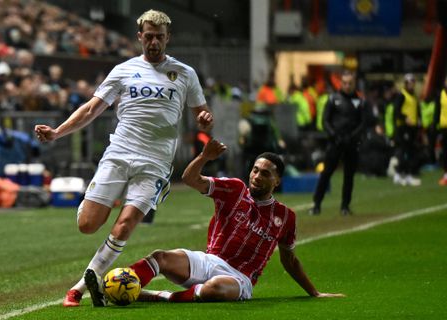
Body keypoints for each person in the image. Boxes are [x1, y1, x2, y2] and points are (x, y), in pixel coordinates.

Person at [34, 9, 214, 307]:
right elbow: (92, 109)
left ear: (168, 38)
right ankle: (107, 198)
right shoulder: (122, 70)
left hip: (155, 163)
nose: (154, 42)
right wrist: (57, 132)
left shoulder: (184, 73)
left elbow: (202, 116)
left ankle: (78, 288)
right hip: (119, 154)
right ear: (139, 37)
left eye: (159, 37)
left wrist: (206, 120)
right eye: (149, 36)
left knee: (126, 223)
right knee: (88, 225)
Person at [84, 139, 344, 303]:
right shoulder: (234, 189)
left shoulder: (286, 217)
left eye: (265, 174)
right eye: (255, 170)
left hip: (239, 279)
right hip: (208, 261)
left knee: (216, 289)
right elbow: (190, 179)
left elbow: (290, 260)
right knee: (160, 257)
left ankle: (157, 297)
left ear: (277, 181)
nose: (256, 176)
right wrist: (204, 157)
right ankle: (117, 287)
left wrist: (314, 292)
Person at [309, 71, 367, 216]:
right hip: (335, 143)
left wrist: (353, 136)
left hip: (352, 143)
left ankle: (345, 206)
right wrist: (334, 135)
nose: (347, 86)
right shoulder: (333, 99)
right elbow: (325, 120)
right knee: (326, 173)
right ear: (341, 83)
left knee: (349, 176)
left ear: (354, 84)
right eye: (345, 83)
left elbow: (363, 122)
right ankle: (316, 204)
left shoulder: (360, 101)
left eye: (350, 83)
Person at [392, 73, 422, 186]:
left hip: (411, 128)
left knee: (409, 151)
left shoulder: (413, 96)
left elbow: (416, 110)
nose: (411, 84)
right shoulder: (402, 95)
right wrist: (405, 118)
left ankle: (404, 173)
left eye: (413, 82)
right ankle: (401, 174)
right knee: (404, 151)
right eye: (409, 82)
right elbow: (396, 112)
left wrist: (419, 121)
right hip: (403, 128)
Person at [434, 76, 447, 185]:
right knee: (445, 151)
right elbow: (437, 111)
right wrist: (435, 125)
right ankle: (446, 174)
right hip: (444, 127)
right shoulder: (440, 95)